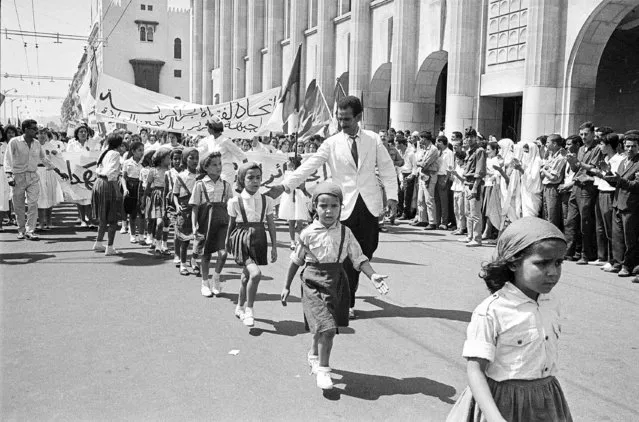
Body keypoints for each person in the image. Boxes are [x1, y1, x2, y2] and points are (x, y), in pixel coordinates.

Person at [271, 96, 397, 319]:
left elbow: (387, 169)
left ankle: (351, 287)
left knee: (365, 252)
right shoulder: (331, 143)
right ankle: (347, 300)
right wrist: (285, 185)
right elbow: (310, 165)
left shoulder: (373, 140)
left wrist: (393, 198)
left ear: (359, 117)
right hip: (343, 206)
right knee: (346, 255)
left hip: (368, 205)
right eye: (340, 118)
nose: (342, 123)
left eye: (347, 119)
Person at [446, 217, 572, 422]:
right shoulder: (491, 311)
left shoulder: (551, 302)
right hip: (503, 404)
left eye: (558, 263)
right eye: (542, 263)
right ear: (513, 263)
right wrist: (495, 417)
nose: (553, 272)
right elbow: (475, 371)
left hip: (547, 401)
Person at [281, 182, 389, 390]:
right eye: (323, 206)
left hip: (337, 281)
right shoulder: (308, 233)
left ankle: (314, 352)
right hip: (312, 281)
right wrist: (286, 286)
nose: (329, 211)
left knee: (324, 325)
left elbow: (358, 258)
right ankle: (323, 370)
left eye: (334, 206)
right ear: (314, 207)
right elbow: (296, 260)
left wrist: (372, 276)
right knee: (328, 328)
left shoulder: (346, 233)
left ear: (341, 207)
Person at [226, 162, 278, 327]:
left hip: (259, 238)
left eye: (258, 178)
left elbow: (270, 224)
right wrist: (227, 241)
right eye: (250, 178)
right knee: (255, 274)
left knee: (246, 277)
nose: (255, 181)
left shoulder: (267, 200)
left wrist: (274, 246)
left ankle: (239, 306)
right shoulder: (235, 201)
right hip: (241, 238)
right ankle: (249, 310)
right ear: (242, 179)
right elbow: (231, 224)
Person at [4, 120, 58, 240]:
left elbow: (43, 158)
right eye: (34, 129)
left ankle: (30, 230)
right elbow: (7, 159)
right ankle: (21, 230)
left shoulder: (37, 143)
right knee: (18, 205)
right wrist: (9, 175)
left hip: (33, 176)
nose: (36, 131)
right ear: (26, 129)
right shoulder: (15, 142)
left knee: (33, 203)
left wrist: (57, 170)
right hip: (18, 176)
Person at [189, 151, 233, 296]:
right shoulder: (200, 185)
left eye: (219, 164)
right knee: (206, 254)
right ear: (206, 168)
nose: (218, 167)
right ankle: (205, 282)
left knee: (223, 252)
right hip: (205, 222)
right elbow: (195, 207)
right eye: (214, 165)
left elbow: (231, 206)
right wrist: (194, 225)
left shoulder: (226, 185)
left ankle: (216, 278)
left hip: (222, 222)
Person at [565, 121, 603, 265]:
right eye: (581, 134)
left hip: (587, 187)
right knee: (571, 220)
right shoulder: (581, 149)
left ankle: (586, 254)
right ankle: (569, 251)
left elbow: (592, 168)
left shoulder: (597, 149)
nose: (583, 137)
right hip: (576, 186)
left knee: (585, 222)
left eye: (586, 134)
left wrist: (579, 163)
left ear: (593, 134)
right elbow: (576, 169)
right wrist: (571, 162)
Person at [606, 133, 639, 278]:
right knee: (617, 236)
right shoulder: (623, 161)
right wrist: (607, 175)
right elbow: (616, 182)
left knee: (630, 238)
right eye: (627, 146)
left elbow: (636, 186)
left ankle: (629, 265)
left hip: (631, 205)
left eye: (633, 146)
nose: (630, 149)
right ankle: (618, 263)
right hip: (618, 203)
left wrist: (620, 180)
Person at [590, 133, 623, 267]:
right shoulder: (605, 158)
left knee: (610, 227)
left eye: (602, 144)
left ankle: (612, 259)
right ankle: (602, 256)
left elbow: (614, 179)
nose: (600, 146)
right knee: (600, 227)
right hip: (601, 191)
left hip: (610, 193)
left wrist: (603, 173)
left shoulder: (619, 160)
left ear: (609, 145)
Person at [91, 134, 126, 256]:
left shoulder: (104, 152)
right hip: (107, 184)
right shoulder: (115, 154)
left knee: (103, 216)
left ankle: (99, 242)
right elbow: (111, 175)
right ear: (119, 145)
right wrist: (117, 192)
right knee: (112, 218)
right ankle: (110, 246)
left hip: (98, 183)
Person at [173, 147, 199, 276]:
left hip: (199, 210)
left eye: (196, 158)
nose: (195, 161)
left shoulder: (202, 176)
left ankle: (194, 260)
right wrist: (177, 206)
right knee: (185, 239)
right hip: (185, 210)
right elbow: (175, 194)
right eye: (191, 158)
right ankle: (183, 264)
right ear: (185, 159)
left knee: (199, 239)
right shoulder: (180, 176)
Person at [66, 124, 98, 227]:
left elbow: (97, 155)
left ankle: (90, 220)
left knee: (89, 198)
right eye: (81, 132)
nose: (83, 133)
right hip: (77, 174)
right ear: (77, 133)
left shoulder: (92, 142)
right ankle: (82, 219)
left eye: (85, 131)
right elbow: (68, 157)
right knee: (79, 197)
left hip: (90, 173)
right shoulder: (72, 143)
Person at [278, 154, 311, 250]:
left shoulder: (301, 173)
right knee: (291, 220)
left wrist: (298, 178)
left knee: (299, 221)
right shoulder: (287, 173)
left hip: (298, 196)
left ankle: (300, 240)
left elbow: (302, 186)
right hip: (289, 197)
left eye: (289, 161)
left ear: (293, 163)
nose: (287, 163)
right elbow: (285, 186)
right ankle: (292, 241)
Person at [144, 147, 171, 255]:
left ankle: (164, 244)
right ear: (161, 158)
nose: (170, 159)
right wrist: (143, 199)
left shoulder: (170, 171)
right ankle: (158, 244)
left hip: (168, 196)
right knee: (159, 222)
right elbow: (147, 186)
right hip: (157, 196)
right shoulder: (153, 171)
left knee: (166, 222)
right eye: (168, 157)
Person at [462, 128, 487, 247]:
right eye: (467, 137)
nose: (469, 139)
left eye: (471, 136)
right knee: (468, 212)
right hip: (467, 183)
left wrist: (475, 187)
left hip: (474, 184)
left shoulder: (479, 151)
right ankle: (470, 236)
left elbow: (480, 171)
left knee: (475, 213)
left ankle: (477, 238)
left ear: (476, 137)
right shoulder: (470, 151)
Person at [36, 127, 64, 231]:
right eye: (39, 133)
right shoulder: (34, 144)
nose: (42, 135)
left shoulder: (51, 145)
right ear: (36, 134)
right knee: (40, 198)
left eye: (44, 133)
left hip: (49, 172)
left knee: (49, 197)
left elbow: (59, 158)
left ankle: (49, 221)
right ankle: (41, 223)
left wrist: (56, 154)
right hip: (38, 172)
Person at [203, 121, 247, 186]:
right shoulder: (210, 140)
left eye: (208, 127)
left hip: (226, 174)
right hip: (214, 174)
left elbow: (243, 157)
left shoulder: (226, 141)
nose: (207, 129)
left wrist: (243, 176)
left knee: (224, 194)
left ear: (212, 128)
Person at [541, 134, 567, 230]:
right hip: (547, 187)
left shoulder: (560, 158)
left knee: (552, 217)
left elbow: (554, 177)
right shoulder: (552, 156)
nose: (546, 144)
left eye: (548, 142)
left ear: (555, 144)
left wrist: (543, 170)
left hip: (553, 188)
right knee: (547, 215)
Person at [122, 141, 144, 243]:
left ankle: (141, 234)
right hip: (131, 187)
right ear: (133, 151)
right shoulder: (127, 162)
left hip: (141, 187)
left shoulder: (144, 163)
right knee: (132, 212)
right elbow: (123, 178)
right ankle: (132, 233)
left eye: (142, 150)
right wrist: (125, 189)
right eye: (139, 150)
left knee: (142, 212)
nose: (142, 152)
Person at [435, 135, 454, 230]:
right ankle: (437, 221)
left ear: (442, 142)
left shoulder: (449, 153)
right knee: (437, 200)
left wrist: (446, 179)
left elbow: (450, 167)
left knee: (444, 201)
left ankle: (444, 222)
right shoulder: (439, 152)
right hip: (437, 176)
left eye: (438, 142)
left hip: (444, 176)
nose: (437, 144)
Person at [450, 151, 467, 235]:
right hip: (455, 189)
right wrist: (452, 174)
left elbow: (464, 180)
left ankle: (462, 228)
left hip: (461, 190)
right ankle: (458, 227)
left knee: (461, 211)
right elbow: (453, 179)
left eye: (458, 159)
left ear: (462, 159)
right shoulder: (457, 166)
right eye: (456, 159)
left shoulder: (465, 167)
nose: (456, 161)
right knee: (456, 210)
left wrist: (456, 175)